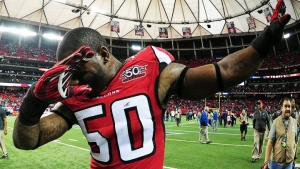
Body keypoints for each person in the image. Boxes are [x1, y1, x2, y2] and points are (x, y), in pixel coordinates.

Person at [12, 1, 290, 167]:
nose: (72, 78)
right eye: (67, 71)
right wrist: (34, 102)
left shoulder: (151, 70)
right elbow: (28, 140)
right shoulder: (75, 97)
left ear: (104, 54)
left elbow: (224, 72)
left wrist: (265, 40)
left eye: (78, 68)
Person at [261, 97, 298, 169]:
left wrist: (294, 158)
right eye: (285, 106)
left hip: (289, 163)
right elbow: (270, 142)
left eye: (289, 106)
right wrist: (266, 161)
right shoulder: (276, 122)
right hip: (276, 163)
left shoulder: (294, 122)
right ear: (282, 108)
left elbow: (295, 142)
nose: (287, 109)